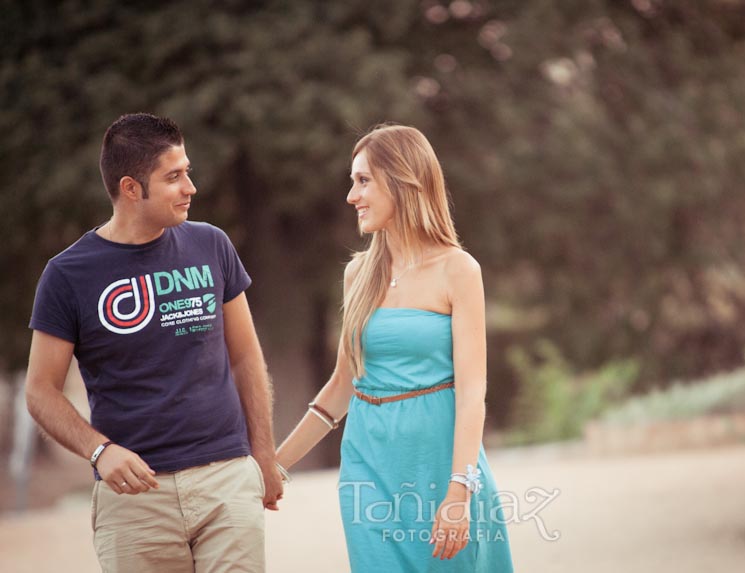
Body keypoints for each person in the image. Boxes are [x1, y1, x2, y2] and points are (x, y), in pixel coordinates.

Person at [25, 113, 284, 572]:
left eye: (187, 171)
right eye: (174, 176)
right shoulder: (67, 275)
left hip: (225, 479)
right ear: (131, 188)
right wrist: (99, 451)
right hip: (136, 501)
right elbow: (40, 390)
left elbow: (245, 357)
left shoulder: (212, 245)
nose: (191, 187)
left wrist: (262, 454)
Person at [275, 124, 514, 571]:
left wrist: (460, 489)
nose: (352, 196)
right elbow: (341, 388)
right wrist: (275, 466)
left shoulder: (458, 270)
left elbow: (472, 393)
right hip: (369, 467)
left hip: (440, 465)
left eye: (363, 180)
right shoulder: (358, 274)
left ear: (403, 182)